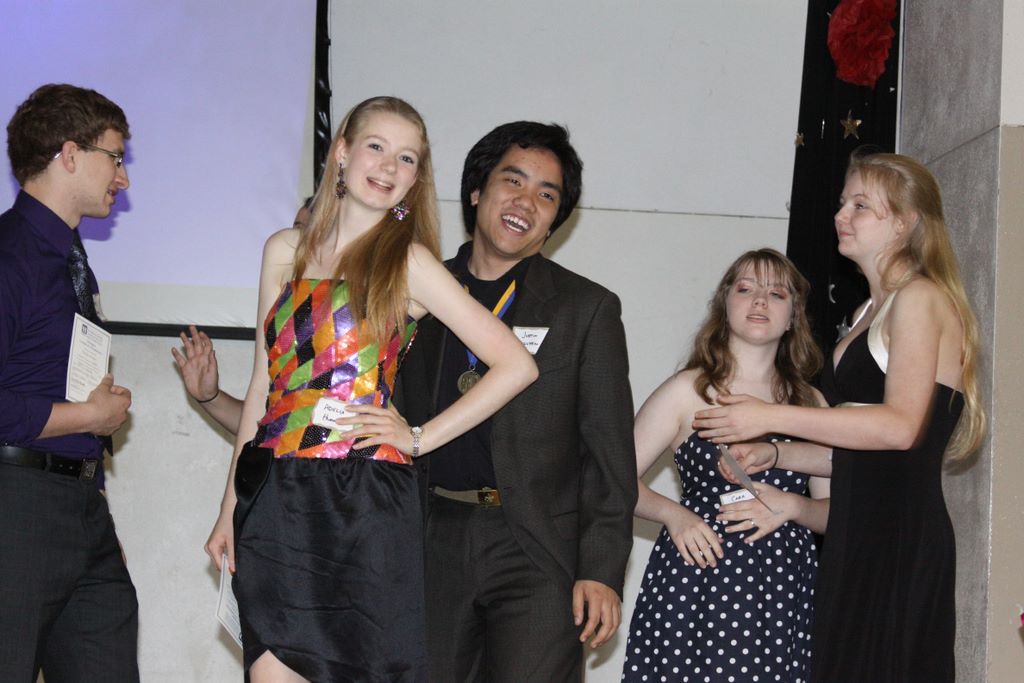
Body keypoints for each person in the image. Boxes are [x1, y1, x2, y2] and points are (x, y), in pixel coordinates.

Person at [203, 96, 537, 682]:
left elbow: (516, 365)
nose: (389, 166)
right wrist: (229, 508)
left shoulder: (411, 263)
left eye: (407, 158)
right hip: (275, 494)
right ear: (342, 152)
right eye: (377, 147)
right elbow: (262, 385)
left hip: (363, 498)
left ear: (416, 177)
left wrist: (419, 437)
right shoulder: (283, 251)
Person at [693, 154, 985, 683]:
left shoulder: (920, 298)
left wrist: (771, 416)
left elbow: (900, 429)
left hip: (899, 531)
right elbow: (853, 450)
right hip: (857, 530)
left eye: (860, 206)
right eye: (842, 203)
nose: (840, 215)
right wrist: (775, 452)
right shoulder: (864, 314)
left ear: (905, 222)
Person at [395, 121, 638, 682]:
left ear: (554, 220)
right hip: (431, 537)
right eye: (513, 181)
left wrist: (601, 569)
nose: (526, 203)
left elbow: (608, 456)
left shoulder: (585, 309)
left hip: (536, 545)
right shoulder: (415, 291)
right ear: (476, 190)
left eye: (546, 195)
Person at [621, 248, 829, 683]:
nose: (760, 301)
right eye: (746, 289)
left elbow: (835, 513)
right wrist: (674, 515)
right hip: (696, 581)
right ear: (724, 303)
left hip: (783, 588)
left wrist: (794, 506)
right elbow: (612, 480)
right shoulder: (687, 391)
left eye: (777, 293)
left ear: (793, 315)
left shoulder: (810, 403)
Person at [0, 84, 137, 682]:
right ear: (71, 154)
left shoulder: (71, 259)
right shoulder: (11, 256)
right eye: (116, 157)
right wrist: (88, 418)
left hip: (79, 511)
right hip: (16, 509)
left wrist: (91, 503)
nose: (123, 178)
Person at [172, 199, 314, 435]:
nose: (294, 242)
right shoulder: (284, 329)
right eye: (296, 230)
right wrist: (210, 397)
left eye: (307, 232)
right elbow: (266, 424)